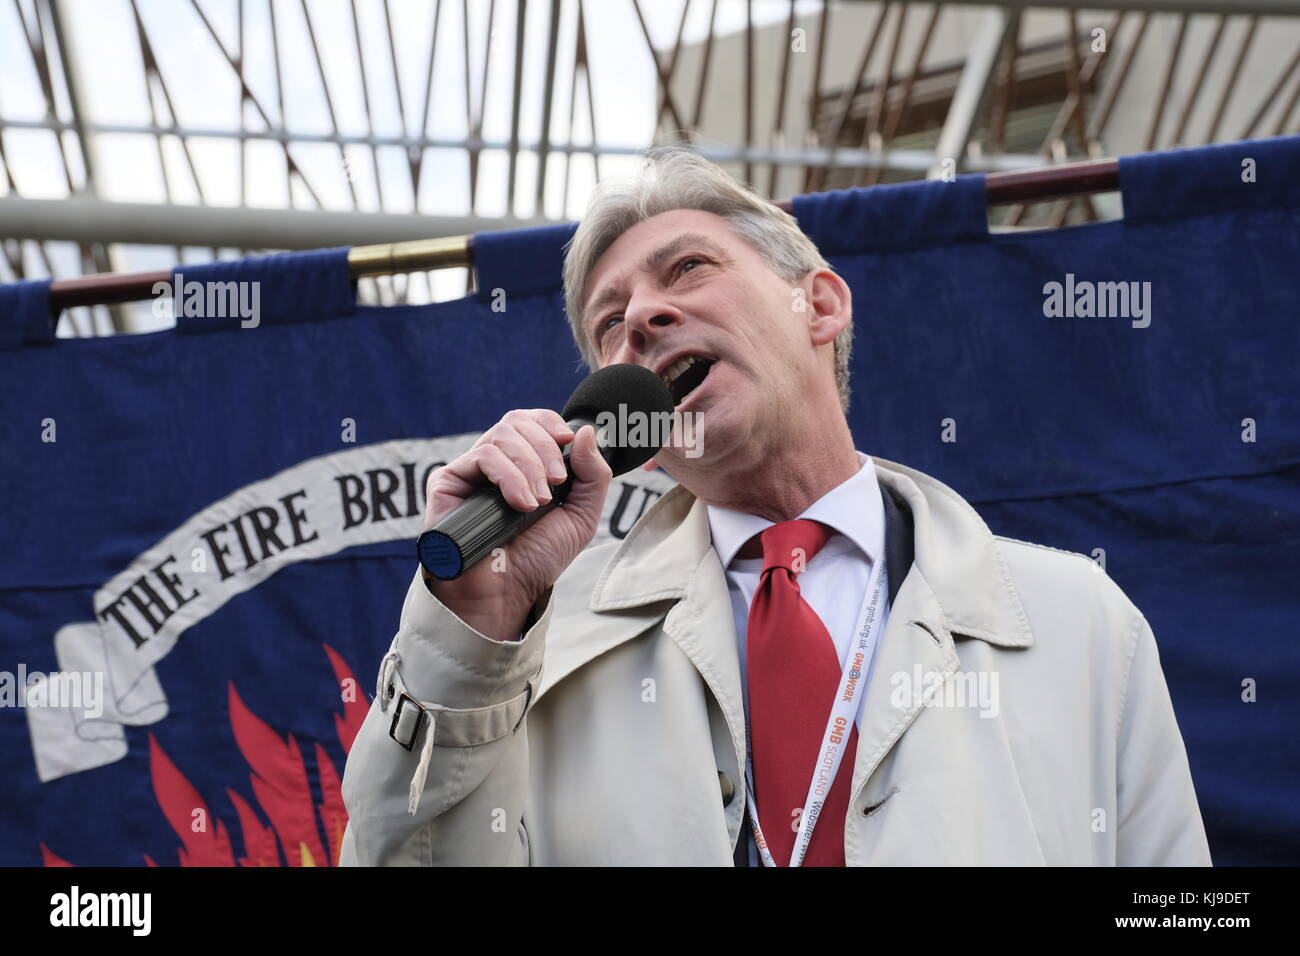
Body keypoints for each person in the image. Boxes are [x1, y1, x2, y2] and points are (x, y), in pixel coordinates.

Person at [338, 146, 1212, 866]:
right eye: (609, 323)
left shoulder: (1080, 624)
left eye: (687, 267)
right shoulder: (533, 653)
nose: (640, 316)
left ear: (819, 305)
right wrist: (470, 641)